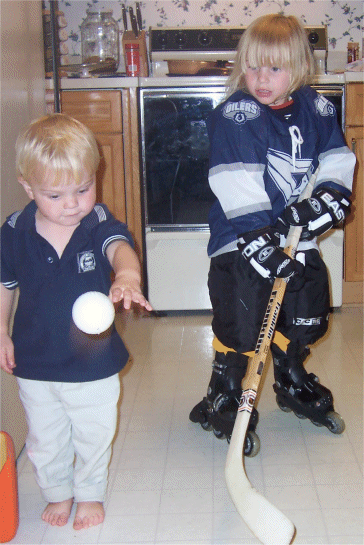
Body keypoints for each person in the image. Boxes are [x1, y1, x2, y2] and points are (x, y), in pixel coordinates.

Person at [189, 14, 355, 451]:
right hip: (242, 242)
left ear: (298, 66)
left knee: (307, 313)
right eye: (253, 66)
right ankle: (224, 391)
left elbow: (337, 160)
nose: (261, 78)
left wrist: (328, 199)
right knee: (244, 321)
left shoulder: (316, 108)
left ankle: (291, 376)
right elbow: (235, 179)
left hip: (295, 240)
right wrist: (260, 244)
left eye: (275, 68)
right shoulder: (236, 115)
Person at [0, 113, 152, 530]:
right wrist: (0, 332)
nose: (72, 204)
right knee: (44, 439)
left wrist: (127, 275)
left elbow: (119, 247)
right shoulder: (14, 231)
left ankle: (89, 493)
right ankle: (57, 492)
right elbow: (5, 285)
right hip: (35, 361)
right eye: (55, 195)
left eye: (83, 189)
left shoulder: (96, 221)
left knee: (92, 433)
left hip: (92, 363)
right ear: (28, 187)